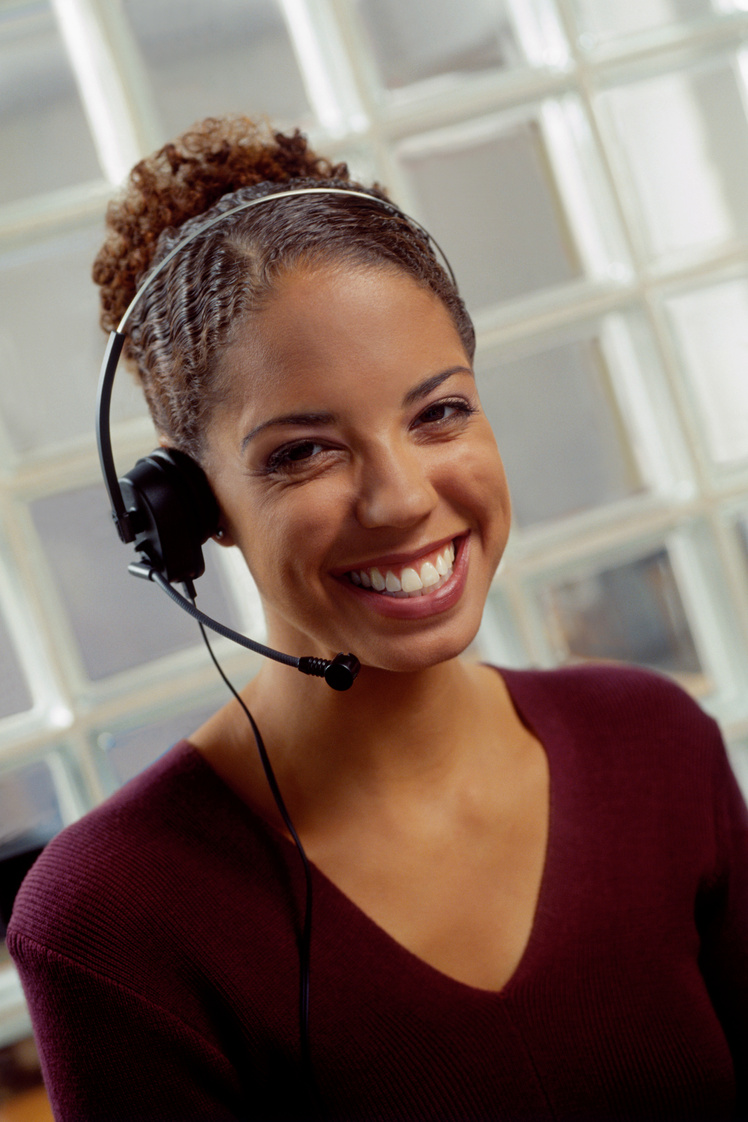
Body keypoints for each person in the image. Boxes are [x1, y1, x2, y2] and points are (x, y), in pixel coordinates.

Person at [7, 115, 748, 1121]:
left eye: (438, 411)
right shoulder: (110, 918)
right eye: (304, 450)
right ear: (189, 511)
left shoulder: (654, 747)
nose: (399, 498)